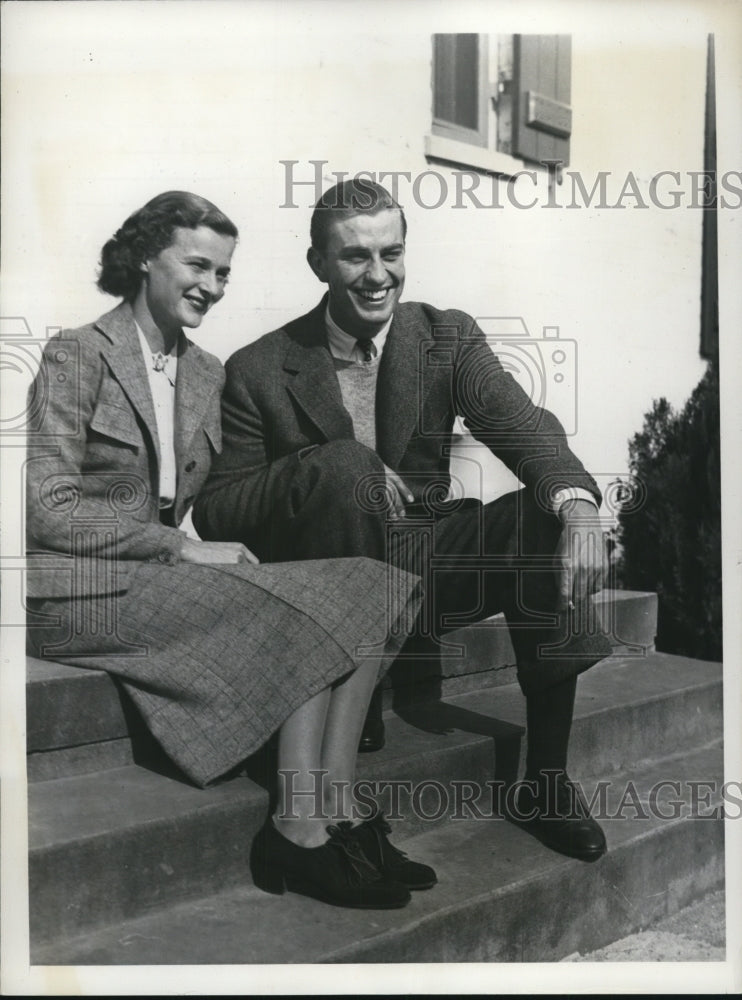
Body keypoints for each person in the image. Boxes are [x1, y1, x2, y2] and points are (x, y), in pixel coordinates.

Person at [25, 190, 432, 911]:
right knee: (306, 605)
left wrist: (359, 466)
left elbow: (247, 477)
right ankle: (296, 828)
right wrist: (174, 548)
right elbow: (48, 509)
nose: (211, 288)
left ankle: (338, 804)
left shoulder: (209, 372)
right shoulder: (78, 354)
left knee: (374, 580)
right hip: (78, 595)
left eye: (223, 275)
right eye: (197, 266)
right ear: (145, 257)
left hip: (158, 583)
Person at [193, 178, 615, 864]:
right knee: (343, 469)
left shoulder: (443, 336)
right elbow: (216, 509)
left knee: (544, 513)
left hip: (427, 566)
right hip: (328, 585)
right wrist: (334, 466)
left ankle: (545, 779)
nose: (378, 275)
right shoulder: (259, 369)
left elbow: (522, 428)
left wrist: (581, 507)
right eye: (356, 257)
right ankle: (342, 734)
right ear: (318, 265)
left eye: (392, 253)